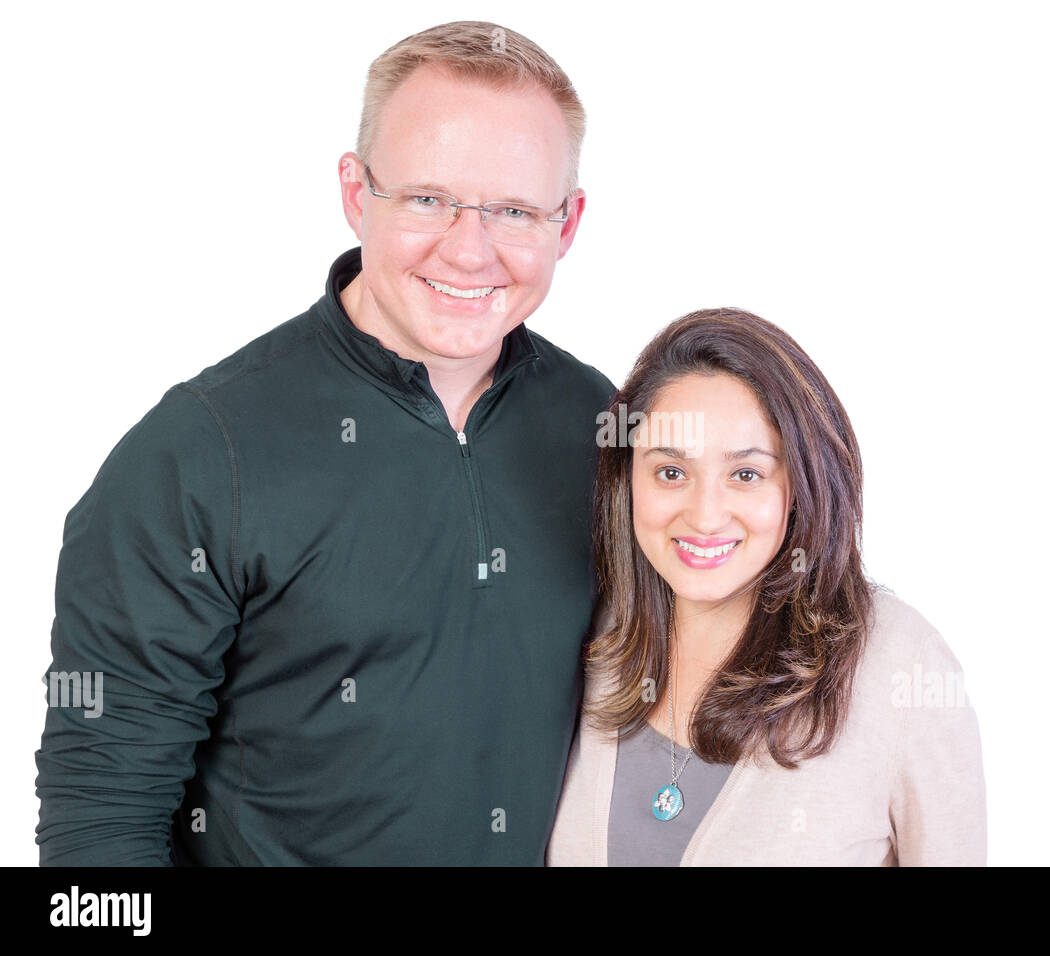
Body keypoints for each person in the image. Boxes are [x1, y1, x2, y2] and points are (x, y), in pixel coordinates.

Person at [35, 21, 615, 865]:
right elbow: (99, 820)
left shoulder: (602, 425)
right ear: (355, 192)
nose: (469, 247)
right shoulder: (199, 452)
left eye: (515, 211)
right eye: (427, 198)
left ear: (568, 225)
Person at [546, 309, 987, 865]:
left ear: (803, 484)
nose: (705, 517)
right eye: (671, 472)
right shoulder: (593, 636)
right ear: (626, 478)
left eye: (746, 474)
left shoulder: (899, 664)